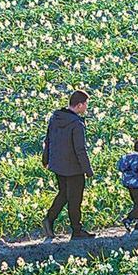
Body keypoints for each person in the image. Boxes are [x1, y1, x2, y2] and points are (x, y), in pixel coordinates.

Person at [42, 89, 95, 240]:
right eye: (86, 104)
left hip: (58, 164)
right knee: (75, 199)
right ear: (79, 105)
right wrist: (88, 170)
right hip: (74, 167)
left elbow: (48, 140)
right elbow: (80, 149)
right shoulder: (77, 124)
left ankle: (49, 220)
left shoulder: (55, 117)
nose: (86, 107)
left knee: (64, 194)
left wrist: (46, 159)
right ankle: (76, 231)